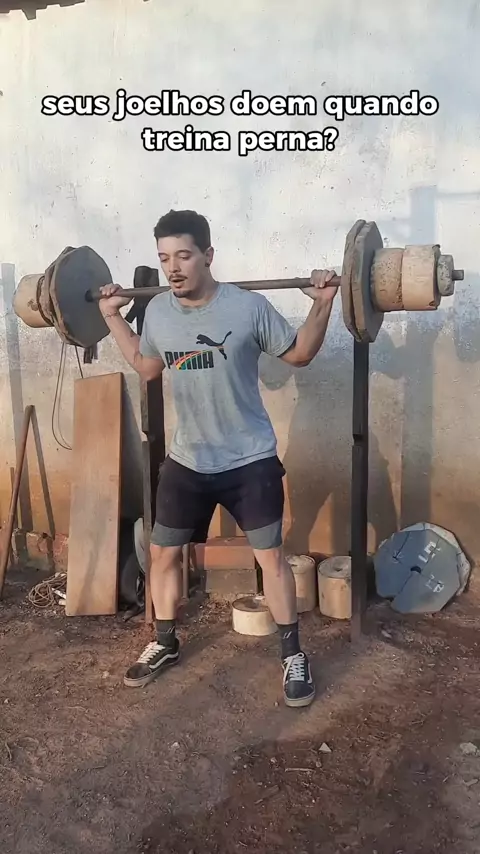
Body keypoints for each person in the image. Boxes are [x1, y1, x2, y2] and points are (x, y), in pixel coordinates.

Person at [98, 209, 337, 708]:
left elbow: (299, 355)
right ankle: (165, 642)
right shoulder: (158, 312)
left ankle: (292, 654)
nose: (173, 268)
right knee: (163, 554)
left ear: (208, 255)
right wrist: (112, 316)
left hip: (249, 458)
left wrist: (322, 304)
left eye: (183, 255)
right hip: (188, 460)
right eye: (164, 258)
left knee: (270, 558)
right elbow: (147, 367)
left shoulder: (248, 307)